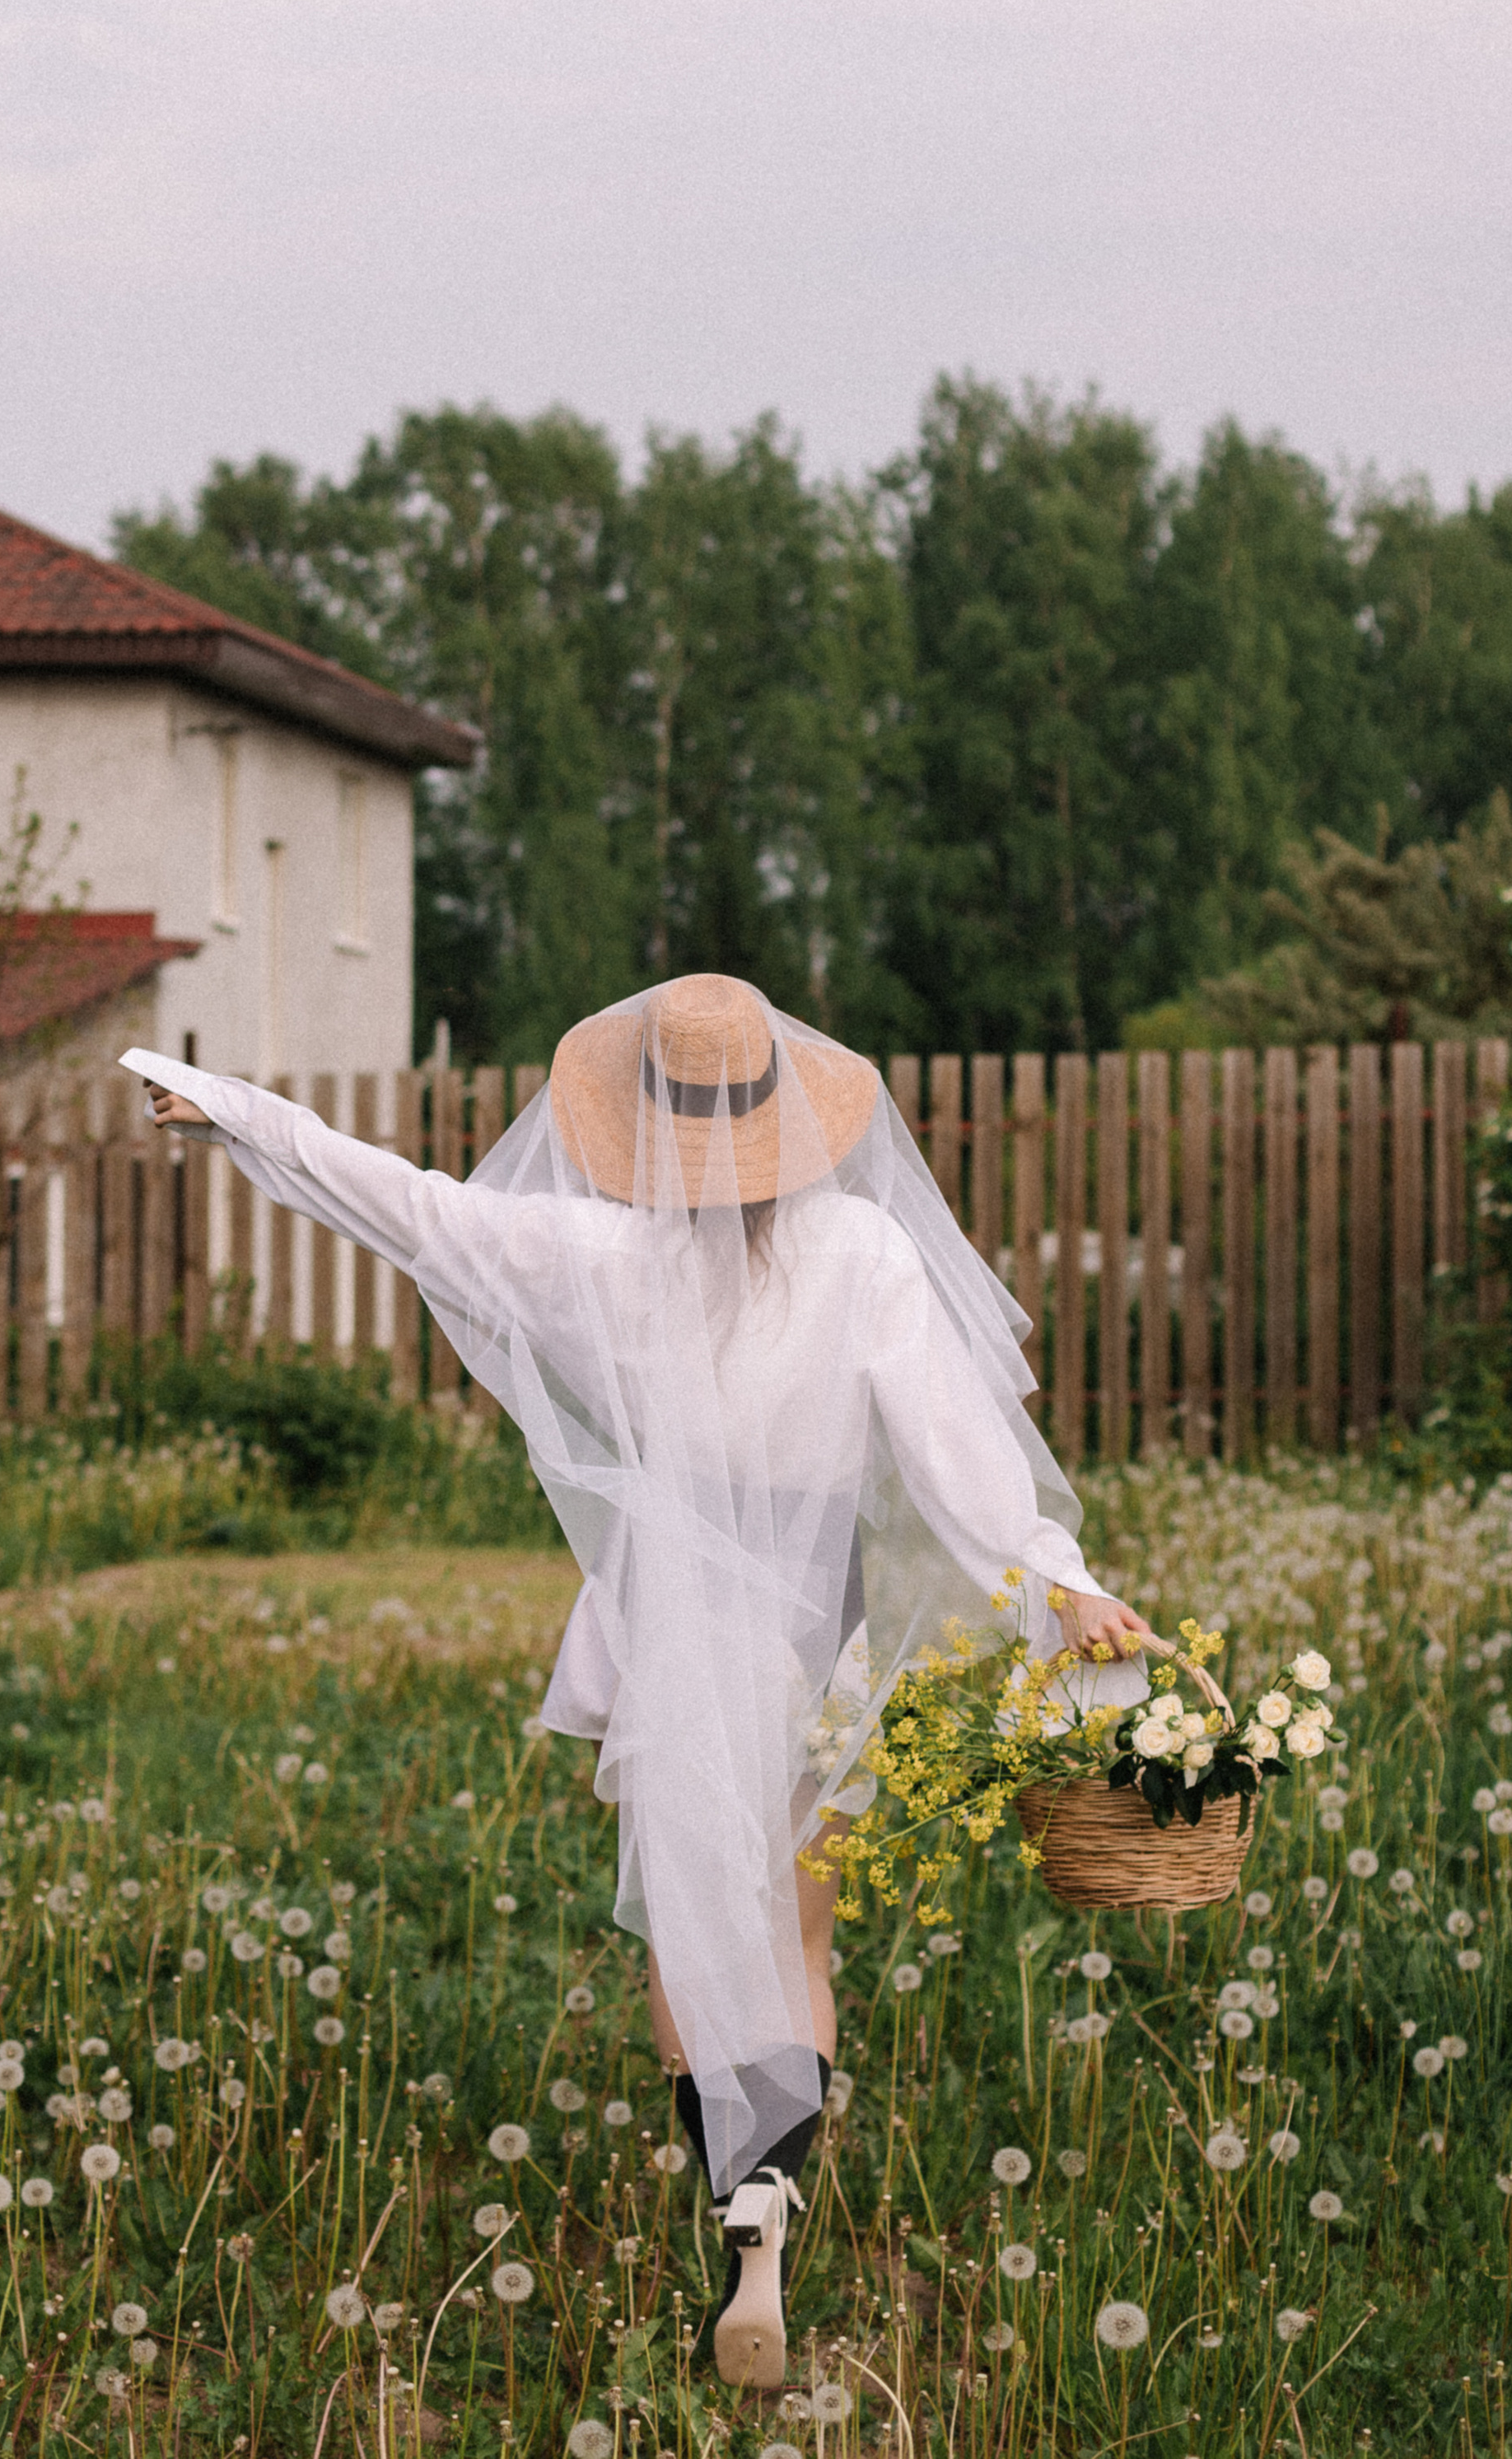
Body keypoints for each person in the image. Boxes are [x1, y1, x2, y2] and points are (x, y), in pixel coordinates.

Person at [126, 974, 1155, 2388]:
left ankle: (732, 2192)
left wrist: (239, 1114)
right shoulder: (864, 1251)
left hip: (687, 1628)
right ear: (790, 1113)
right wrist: (1057, 1580)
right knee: (799, 1931)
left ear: (647, 1119)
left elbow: (405, 1202)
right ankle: (778, 2204)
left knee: (690, 1925)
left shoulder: (595, 1254)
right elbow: (959, 1452)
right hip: (832, 1635)